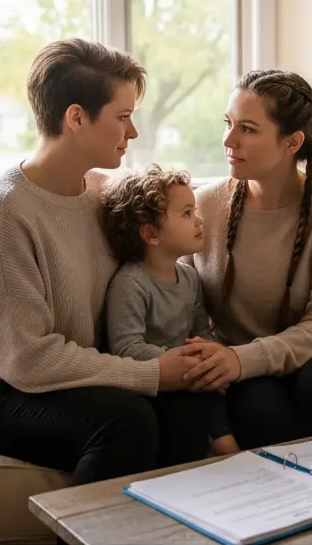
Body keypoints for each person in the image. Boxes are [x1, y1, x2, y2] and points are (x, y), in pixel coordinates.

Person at [0, 39, 209, 486]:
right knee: (126, 420)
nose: (132, 133)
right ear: (76, 117)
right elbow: (26, 359)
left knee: (186, 409)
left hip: (58, 376)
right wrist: (150, 373)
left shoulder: (102, 194)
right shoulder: (1, 212)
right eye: (123, 117)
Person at [182, 69, 312, 450]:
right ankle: (301, 505)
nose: (228, 140)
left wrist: (243, 359)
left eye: (248, 129)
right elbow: (184, 306)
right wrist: (225, 360)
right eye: (228, 123)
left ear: (292, 142)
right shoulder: (203, 206)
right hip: (243, 361)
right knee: (256, 404)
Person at [99, 163, 239, 458]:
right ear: (151, 233)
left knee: (224, 390)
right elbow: (125, 347)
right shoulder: (130, 283)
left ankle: (223, 442)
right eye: (187, 214)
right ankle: (224, 448)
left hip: (188, 374)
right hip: (156, 383)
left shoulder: (189, 276)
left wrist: (206, 357)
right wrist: (178, 362)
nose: (200, 221)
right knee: (188, 407)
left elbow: (201, 331)